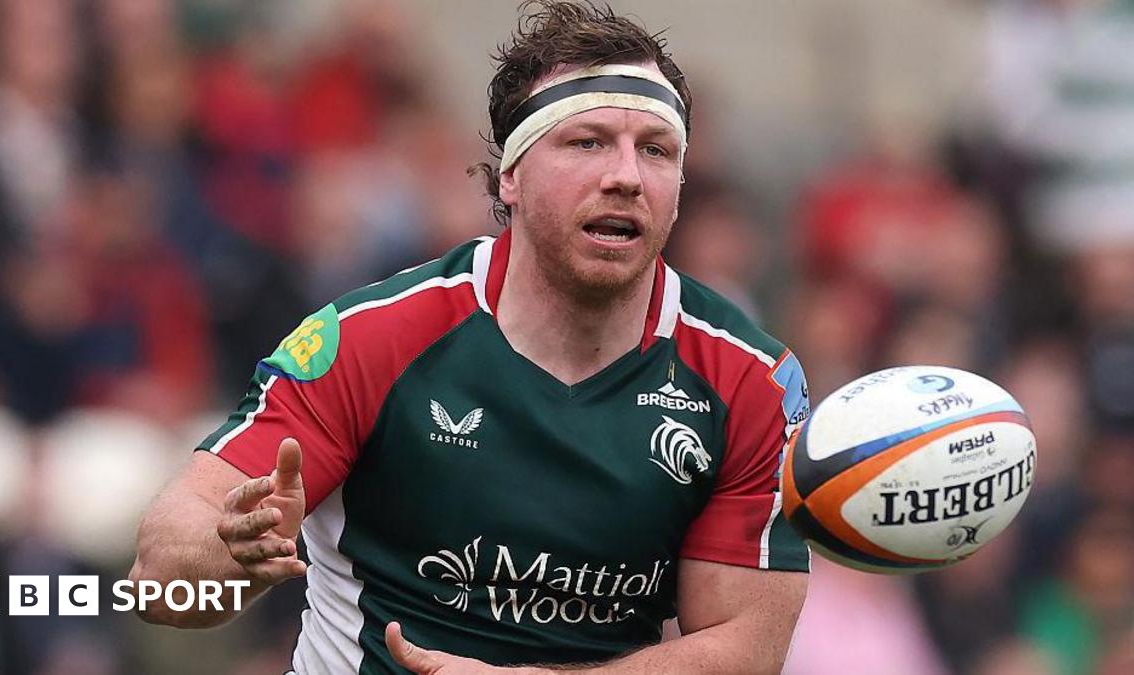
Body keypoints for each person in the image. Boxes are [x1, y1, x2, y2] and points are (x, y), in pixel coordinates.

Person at [130, 2, 811, 673]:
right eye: (588, 142)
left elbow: (747, 648)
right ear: (510, 176)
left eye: (656, 151)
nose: (626, 176)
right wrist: (230, 551)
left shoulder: (749, 378)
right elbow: (157, 580)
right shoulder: (373, 337)